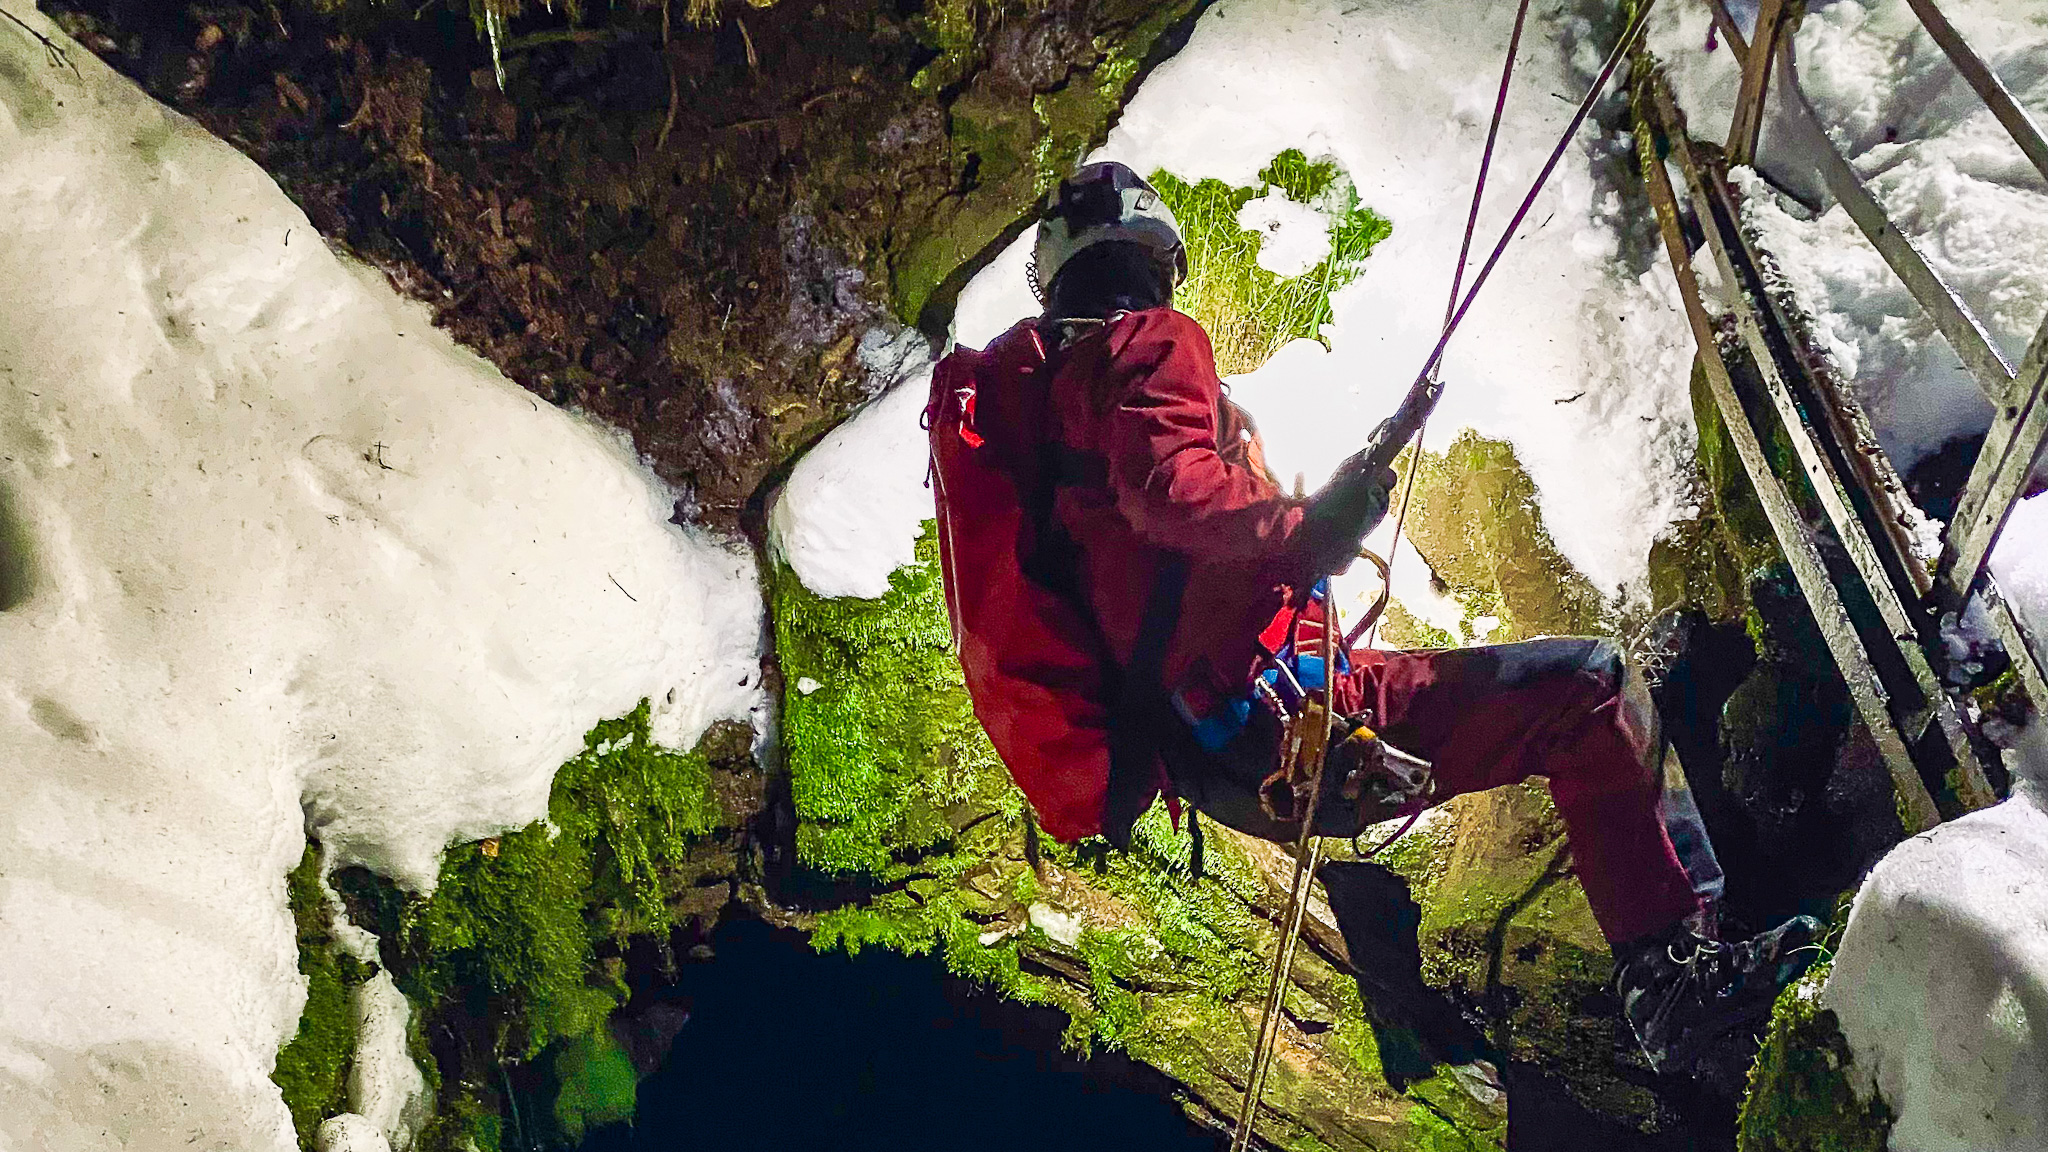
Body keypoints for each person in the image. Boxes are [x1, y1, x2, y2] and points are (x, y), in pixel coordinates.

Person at [926, 160, 1820, 1073]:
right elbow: (1170, 491)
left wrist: (1307, 528)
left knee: (1566, 693)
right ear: (1155, 256)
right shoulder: (1148, 342)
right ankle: (1678, 985)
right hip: (1292, 729)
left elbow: (1149, 544)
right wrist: (1307, 525)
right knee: (1590, 691)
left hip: (1221, 752)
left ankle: (1663, 893)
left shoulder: (1053, 403)